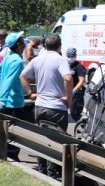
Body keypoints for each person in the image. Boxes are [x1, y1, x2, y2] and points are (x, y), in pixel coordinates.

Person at [21, 33, 73, 176]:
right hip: (56, 107)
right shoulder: (60, 60)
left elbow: (23, 76)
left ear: (44, 45)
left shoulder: (37, 59)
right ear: (60, 46)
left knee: (42, 139)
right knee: (56, 142)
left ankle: (42, 170)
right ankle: (53, 173)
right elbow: (68, 78)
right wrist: (69, 98)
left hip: (40, 106)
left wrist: (30, 93)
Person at [0, 32, 28, 161]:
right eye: (22, 40)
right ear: (18, 44)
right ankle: (12, 157)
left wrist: (2, 84)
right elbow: (8, 80)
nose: (24, 43)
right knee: (15, 133)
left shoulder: (8, 57)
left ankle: (4, 154)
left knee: (5, 131)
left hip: (9, 99)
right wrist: (2, 101)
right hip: (13, 102)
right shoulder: (17, 61)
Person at [66, 48, 87, 121]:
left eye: (72, 56)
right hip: (66, 92)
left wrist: (73, 91)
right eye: (68, 56)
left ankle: (82, 127)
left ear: (75, 56)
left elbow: (81, 81)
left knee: (74, 113)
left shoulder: (79, 67)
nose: (70, 58)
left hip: (76, 93)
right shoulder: (66, 65)